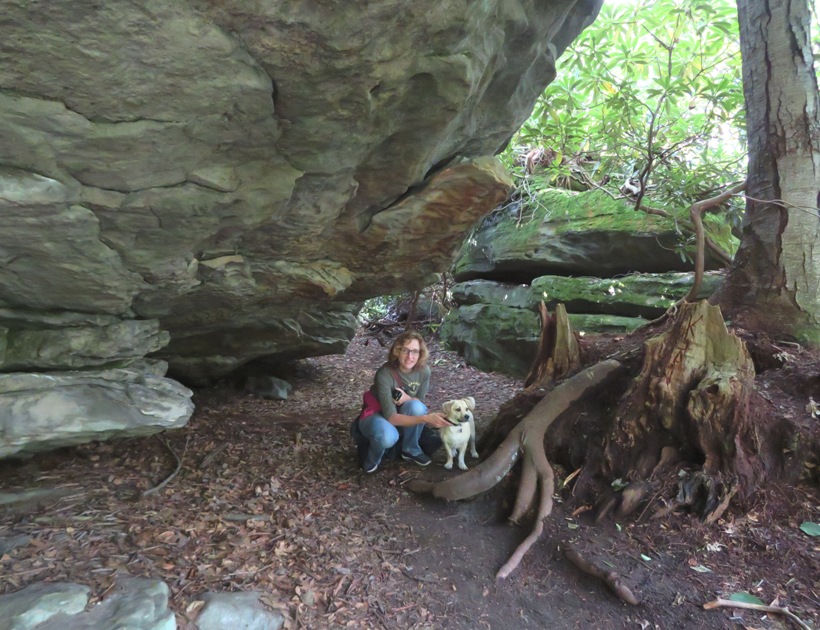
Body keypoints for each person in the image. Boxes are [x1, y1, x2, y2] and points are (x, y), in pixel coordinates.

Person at [352, 331, 450, 473]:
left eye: (415, 352)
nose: (410, 357)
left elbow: (418, 403)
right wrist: (426, 419)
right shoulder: (385, 374)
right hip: (377, 414)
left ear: (420, 353)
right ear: (397, 351)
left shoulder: (424, 371)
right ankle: (372, 460)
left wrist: (407, 399)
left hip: (398, 412)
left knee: (417, 407)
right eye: (406, 351)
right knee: (388, 436)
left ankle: (410, 449)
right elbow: (391, 417)